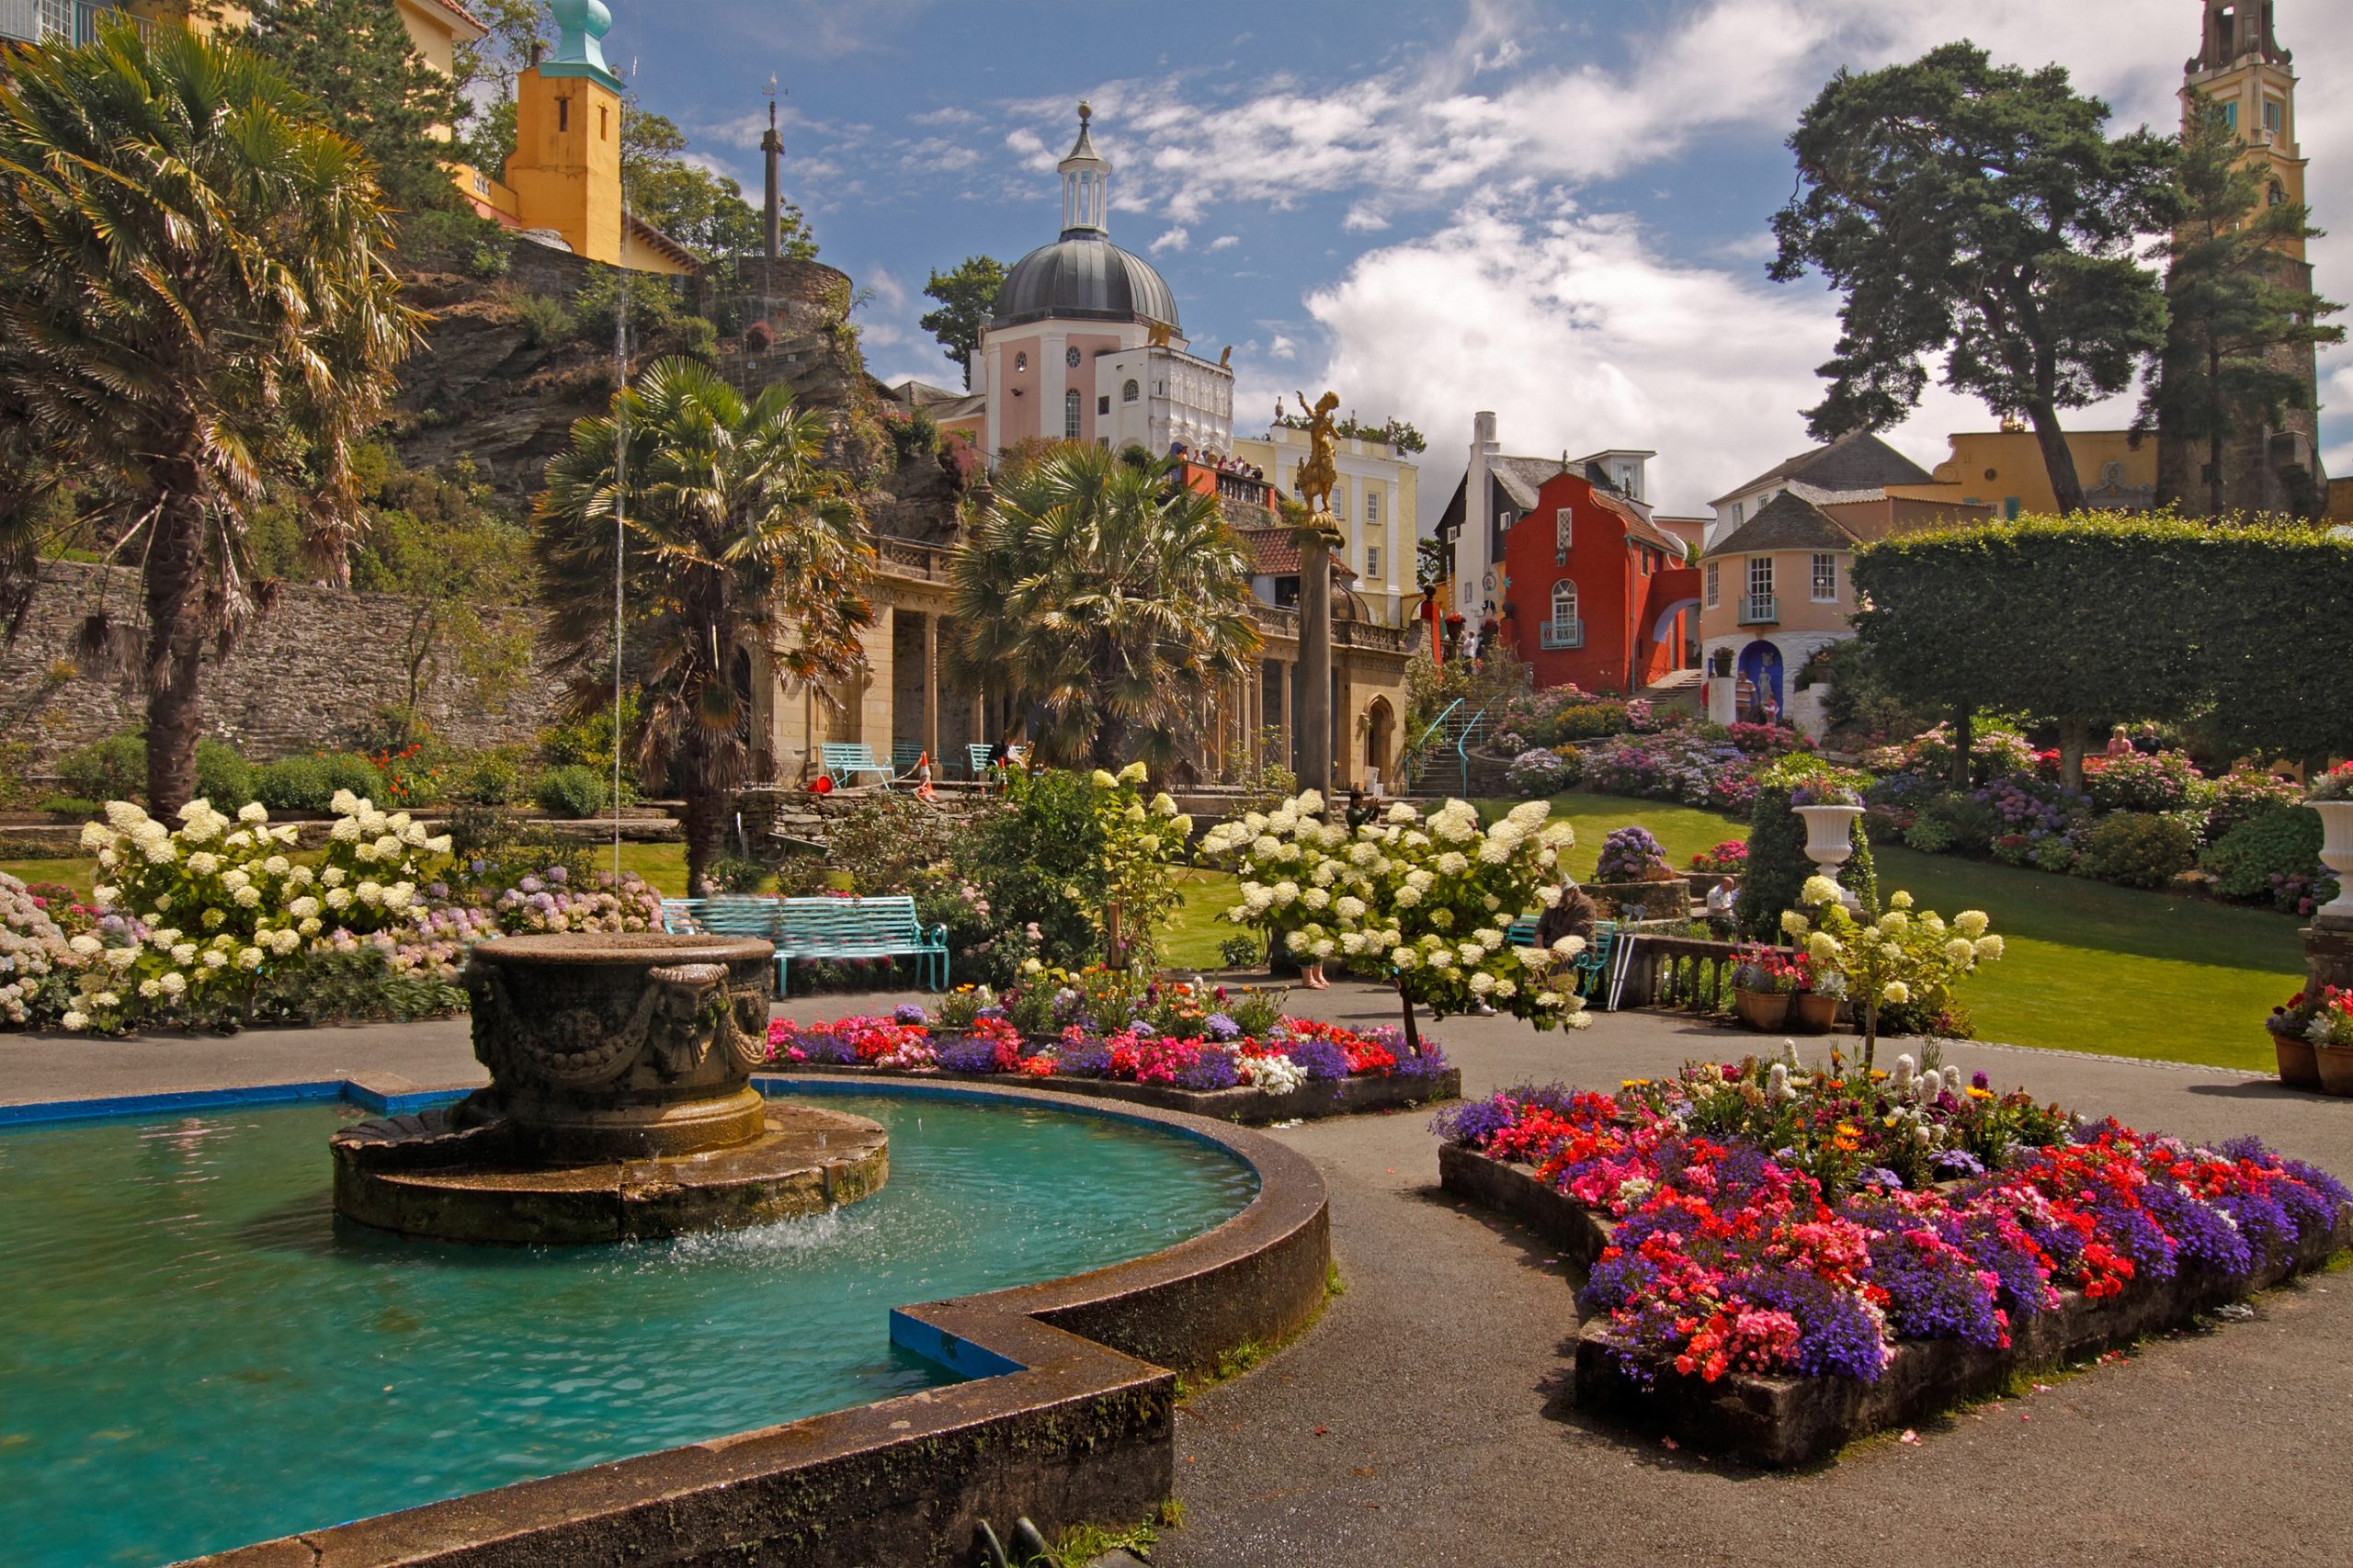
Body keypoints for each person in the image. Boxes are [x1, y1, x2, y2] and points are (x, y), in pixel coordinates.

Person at [1704, 874, 1737, 938]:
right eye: (1730, 885)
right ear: (1723, 884)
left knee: (1739, 923)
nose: (1732, 887)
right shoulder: (1714, 893)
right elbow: (1715, 911)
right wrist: (1729, 907)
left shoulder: (1727, 892)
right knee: (1730, 926)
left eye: (1732, 885)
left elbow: (1729, 905)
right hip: (1715, 918)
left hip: (1727, 917)